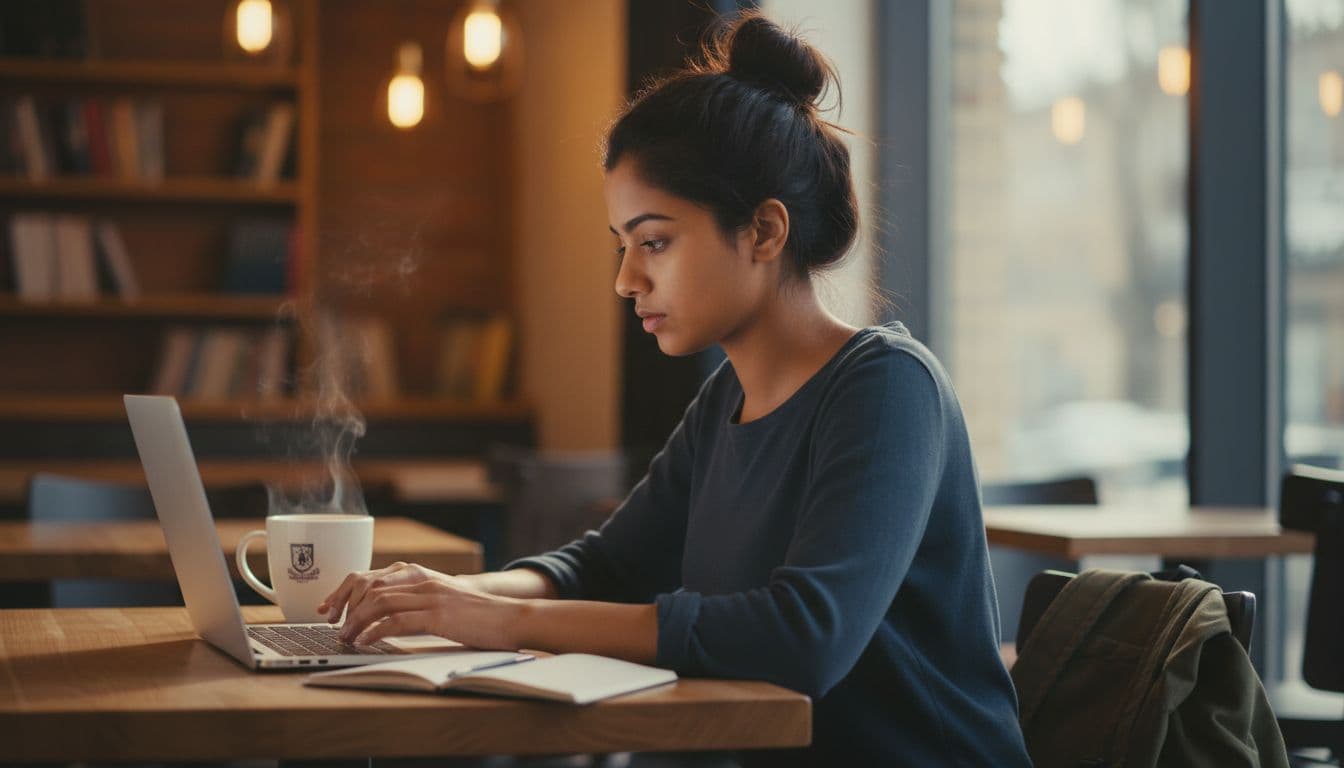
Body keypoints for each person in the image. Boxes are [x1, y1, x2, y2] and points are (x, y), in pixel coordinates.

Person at [320, 11, 1031, 766]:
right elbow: (606, 568)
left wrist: (494, 622)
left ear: (763, 232)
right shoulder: (725, 400)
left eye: (654, 241)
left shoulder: (888, 390)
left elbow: (803, 638)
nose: (627, 281)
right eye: (624, 246)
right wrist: (443, 598)